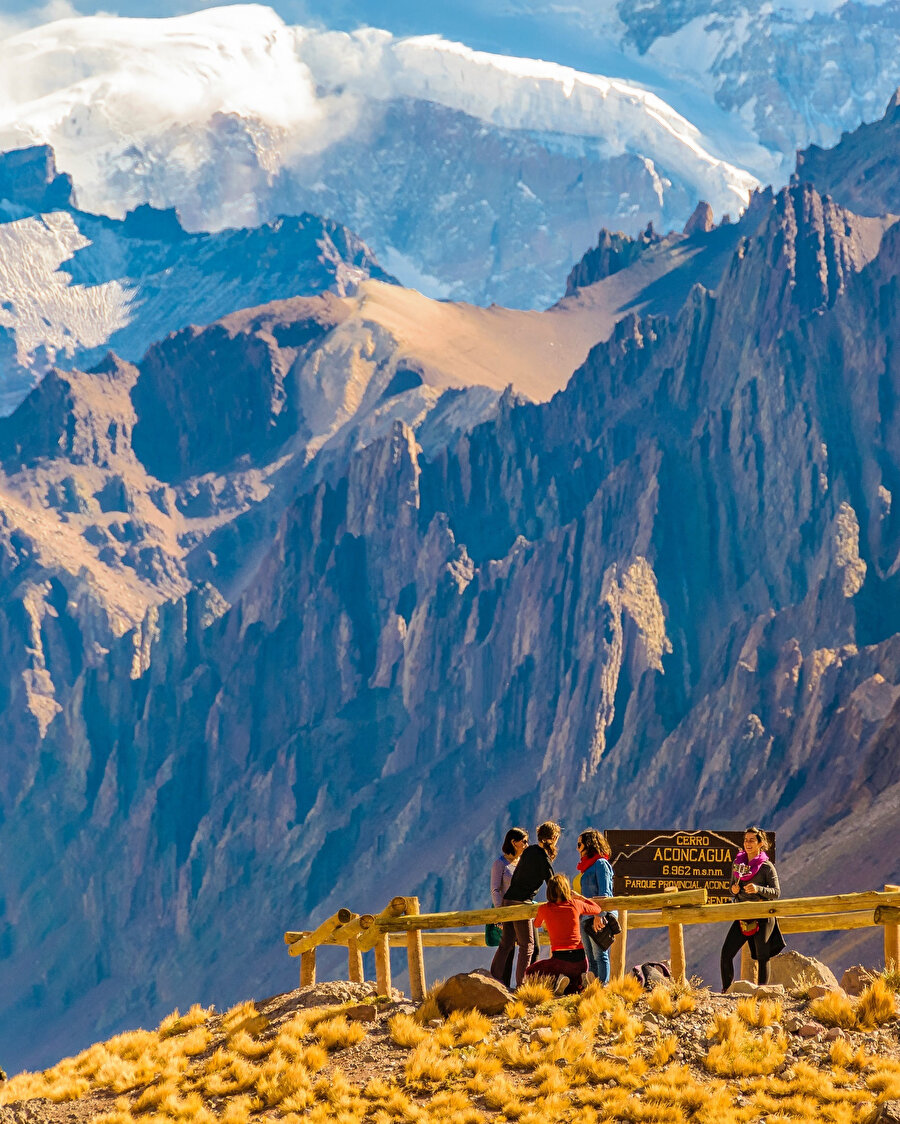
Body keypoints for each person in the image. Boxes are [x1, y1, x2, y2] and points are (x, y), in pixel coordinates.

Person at [491, 821, 560, 988]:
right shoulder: (543, 858)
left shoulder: (529, 852)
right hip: (521, 903)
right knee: (527, 945)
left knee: (506, 943)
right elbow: (553, 884)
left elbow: (516, 878)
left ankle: (494, 979)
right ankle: (522, 985)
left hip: (509, 900)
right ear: (554, 838)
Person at [720, 825, 785, 991]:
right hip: (743, 915)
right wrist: (734, 890)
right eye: (745, 840)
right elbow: (732, 887)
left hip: (762, 916)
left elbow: (776, 892)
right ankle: (727, 991)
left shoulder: (766, 867)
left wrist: (758, 889)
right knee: (726, 954)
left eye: (752, 840)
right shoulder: (738, 863)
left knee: (763, 957)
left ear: (760, 843)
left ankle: (761, 992)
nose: (747, 843)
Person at [525, 873, 604, 995]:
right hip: (581, 961)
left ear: (549, 891)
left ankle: (559, 979)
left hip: (560, 961)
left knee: (530, 971)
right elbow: (597, 909)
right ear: (567, 889)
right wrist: (580, 898)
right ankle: (582, 978)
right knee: (575, 989)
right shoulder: (575, 904)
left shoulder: (544, 909)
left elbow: (536, 924)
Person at [574, 828, 615, 984]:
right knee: (590, 957)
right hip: (585, 917)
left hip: (597, 916)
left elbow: (605, 892)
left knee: (600, 954)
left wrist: (600, 915)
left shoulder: (601, 863)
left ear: (588, 844)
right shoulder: (587, 867)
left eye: (579, 844)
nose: (577, 849)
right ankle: (593, 988)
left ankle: (602, 988)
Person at [490, 827, 528, 987]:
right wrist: (501, 914)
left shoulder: (522, 863)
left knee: (523, 946)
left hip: (521, 911)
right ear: (513, 842)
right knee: (508, 947)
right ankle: (500, 983)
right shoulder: (500, 864)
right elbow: (495, 889)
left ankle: (522, 982)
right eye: (524, 841)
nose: (526, 844)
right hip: (506, 911)